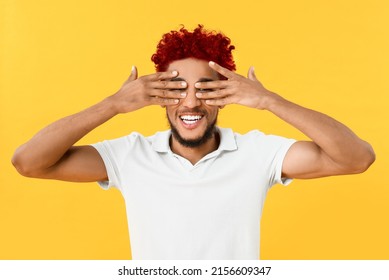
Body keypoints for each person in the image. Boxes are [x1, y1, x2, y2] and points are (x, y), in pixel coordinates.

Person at [12, 25, 375, 260]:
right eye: (176, 89)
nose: (190, 103)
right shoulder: (130, 155)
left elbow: (356, 158)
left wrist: (269, 101)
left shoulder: (258, 153)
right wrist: (112, 105)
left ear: (225, 94)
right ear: (158, 94)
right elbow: (28, 162)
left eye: (205, 89)